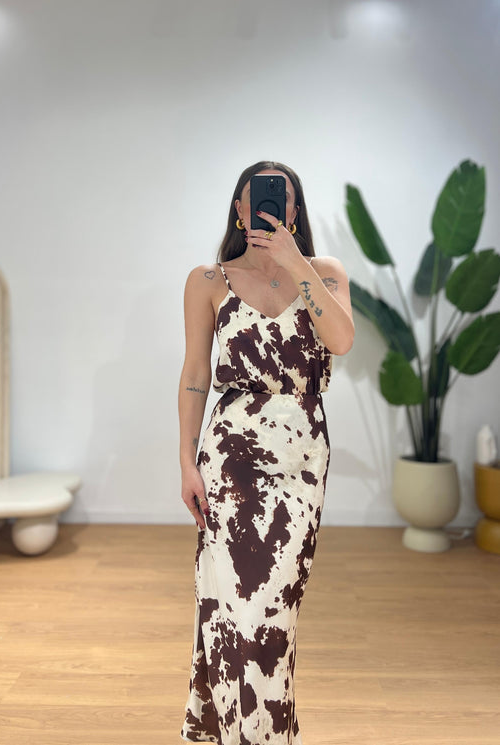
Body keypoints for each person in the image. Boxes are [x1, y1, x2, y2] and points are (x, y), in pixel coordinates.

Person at [179, 161, 354, 744]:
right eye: (257, 200)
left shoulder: (324, 274)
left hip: (301, 461)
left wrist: (294, 263)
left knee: (275, 613)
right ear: (240, 210)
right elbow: (195, 375)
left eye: (283, 199)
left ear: (295, 211)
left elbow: (341, 340)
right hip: (230, 458)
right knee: (235, 608)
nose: (271, 208)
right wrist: (186, 462)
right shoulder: (209, 280)